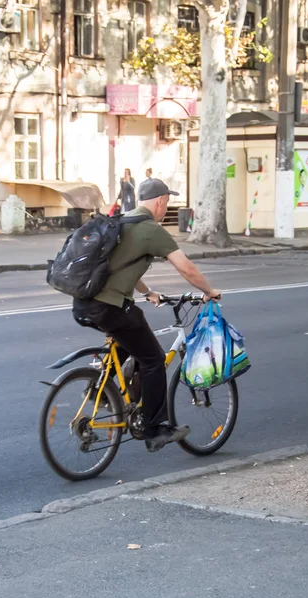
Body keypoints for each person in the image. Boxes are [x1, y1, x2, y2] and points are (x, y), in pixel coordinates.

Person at [73, 178, 222, 453]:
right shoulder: (152, 230)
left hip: (83, 303)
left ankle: (99, 392)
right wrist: (209, 291)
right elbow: (186, 269)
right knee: (153, 358)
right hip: (111, 306)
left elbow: (117, 266)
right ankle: (155, 430)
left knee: (127, 340)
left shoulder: (119, 221)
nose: (167, 206)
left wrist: (147, 291)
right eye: (167, 201)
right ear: (161, 201)